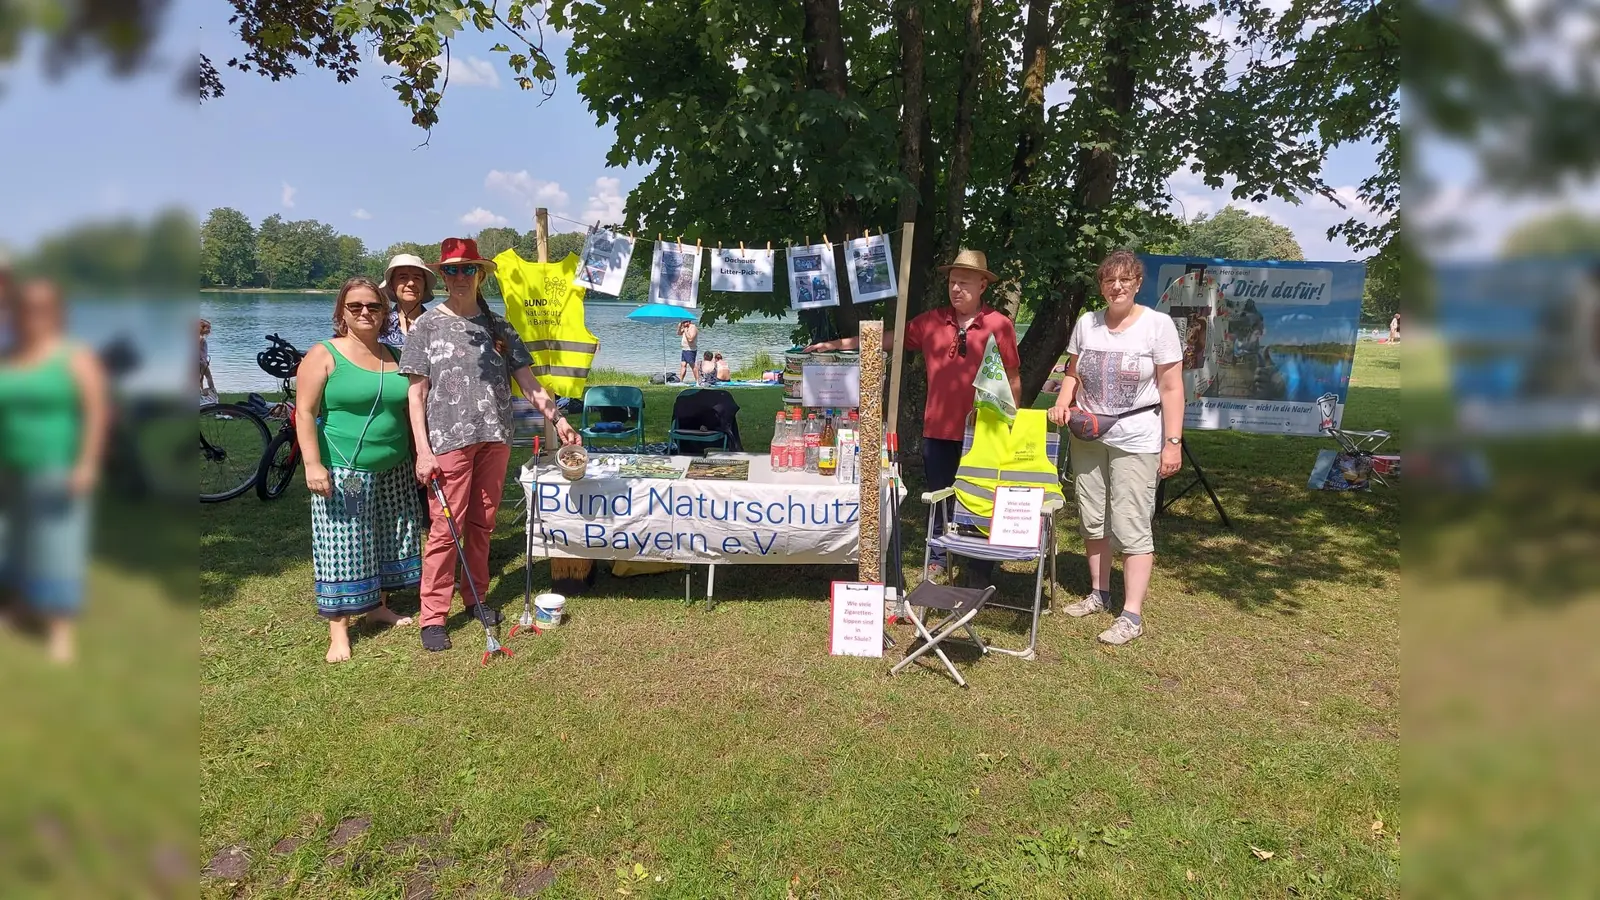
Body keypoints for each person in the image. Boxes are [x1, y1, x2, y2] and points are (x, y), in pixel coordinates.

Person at [400, 238, 581, 653]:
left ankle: (477, 597)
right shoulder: (426, 326)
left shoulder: (498, 327)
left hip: (495, 438)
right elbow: (417, 395)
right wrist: (424, 451)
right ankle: (433, 615)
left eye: (467, 270)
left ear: (480, 275)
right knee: (446, 528)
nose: (459, 277)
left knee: (482, 524)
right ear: (442, 275)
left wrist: (559, 418)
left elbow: (530, 384)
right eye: (451, 270)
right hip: (449, 440)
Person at [806, 249, 1021, 581]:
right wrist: (836, 345)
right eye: (952, 282)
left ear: (982, 286)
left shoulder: (999, 325)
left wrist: (1012, 423)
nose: (956, 288)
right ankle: (937, 558)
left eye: (964, 282)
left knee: (981, 496)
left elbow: (1012, 377)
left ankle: (979, 564)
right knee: (939, 496)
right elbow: (887, 339)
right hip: (938, 429)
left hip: (985, 431)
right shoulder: (933, 321)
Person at [1047, 250, 1185, 646]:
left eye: (1125, 280)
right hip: (1088, 434)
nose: (1117, 287)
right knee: (1092, 516)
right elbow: (1072, 371)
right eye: (1109, 280)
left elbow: (1173, 388)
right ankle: (1098, 593)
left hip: (1137, 437)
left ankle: (1131, 615)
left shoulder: (1157, 326)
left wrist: (1172, 442)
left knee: (1130, 523)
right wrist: (1063, 400)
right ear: (1102, 286)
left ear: (1138, 284)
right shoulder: (1087, 323)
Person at [294, 277, 422, 663]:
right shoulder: (324, 354)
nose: (366, 312)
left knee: (387, 538)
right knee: (343, 545)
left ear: (385, 313)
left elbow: (407, 407)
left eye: (374, 306)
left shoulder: (395, 355)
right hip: (346, 470)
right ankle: (339, 631)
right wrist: (313, 464)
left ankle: (377, 608)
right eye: (356, 307)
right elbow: (304, 412)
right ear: (341, 313)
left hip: (394, 467)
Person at [0, 279, 110, 663]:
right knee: (11, 542)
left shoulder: (74, 356)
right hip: (9, 466)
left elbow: (97, 411)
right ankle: (15, 609)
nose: (34, 317)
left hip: (57, 465)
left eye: (43, 308)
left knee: (58, 547)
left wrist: (88, 463)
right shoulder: (10, 356)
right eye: (26, 309)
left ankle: (60, 633)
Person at [379, 253, 436, 350]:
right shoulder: (380, 324)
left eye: (417, 278)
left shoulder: (437, 325)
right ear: (391, 285)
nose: (411, 283)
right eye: (403, 277)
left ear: (424, 286)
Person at [199, 318, 217, 397]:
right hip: (201, 361)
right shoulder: (201, 339)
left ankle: (200, 393)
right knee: (208, 376)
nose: (209, 331)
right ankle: (212, 391)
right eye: (207, 328)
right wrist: (204, 360)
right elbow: (200, 351)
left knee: (200, 378)